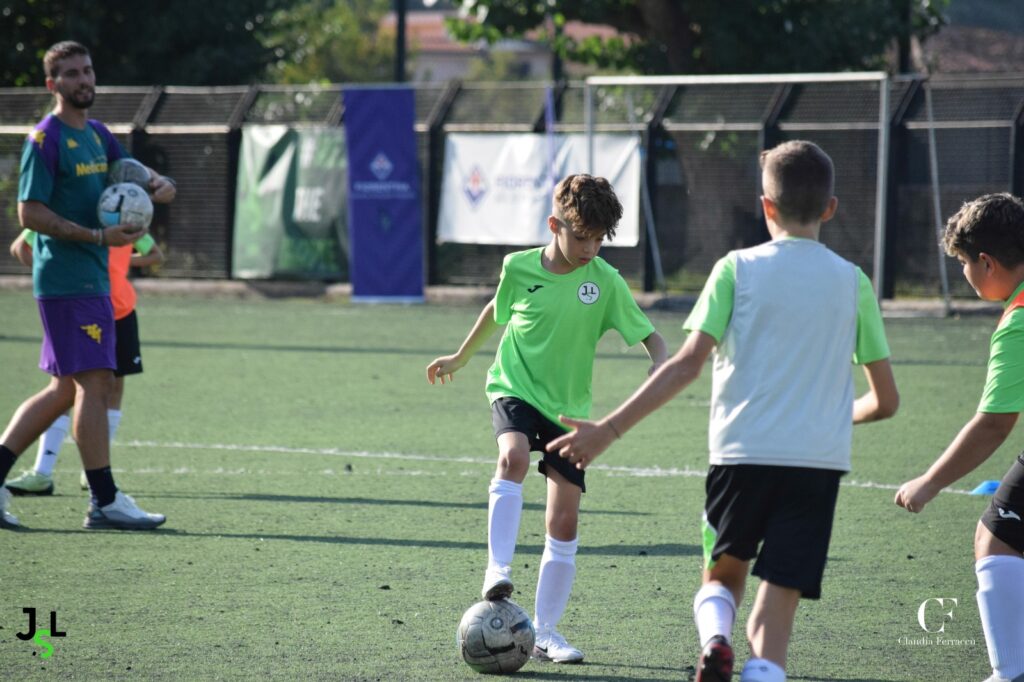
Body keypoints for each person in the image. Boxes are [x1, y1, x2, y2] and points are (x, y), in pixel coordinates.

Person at [547, 141, 899, 682]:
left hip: (741, 453)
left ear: (766, 206)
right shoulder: (854, 282)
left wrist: (609, 429)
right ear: (830, 208)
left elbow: (686, 365)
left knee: (723, 577)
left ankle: (715, 639)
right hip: (817, 462)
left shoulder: (735, 269)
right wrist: (835, 416)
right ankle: (764, 669)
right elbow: (886, 401)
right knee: (778, 602)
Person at [426, 174, 668, 664]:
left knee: (564, 518)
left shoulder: (605, 282)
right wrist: (460, 357)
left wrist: (661, 362)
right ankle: (497, 569)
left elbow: (650, 336)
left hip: (569, 412)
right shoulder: (518, 266)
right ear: (555, 224)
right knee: (512, 455)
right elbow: (499, 309)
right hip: (514, 387)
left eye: (600, 239)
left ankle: (546, 633)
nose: (590, 248)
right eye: (582, 236)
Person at [0, 40, 174, 531]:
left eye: (89, 71)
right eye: (72, 74)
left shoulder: (99, 136)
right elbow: (28, 212)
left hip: (92, 280)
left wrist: (160, 185)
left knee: (62, 390)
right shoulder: (45, 139)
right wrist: (96, 235)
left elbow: (138, 177)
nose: (84, 81)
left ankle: (98, 498)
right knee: (96, 382)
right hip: (66, 281)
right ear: (53, 85)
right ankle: (104, 499)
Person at [895, 193, 1024, 682]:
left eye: (964, 264)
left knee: (996, 538)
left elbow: (994, 422)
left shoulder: (1019, 320)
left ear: (987, 262)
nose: (964, 275)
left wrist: (929, 482)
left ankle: (1011, 672)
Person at [5, 226, 165, 495]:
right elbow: (20, 246)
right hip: (81, 305)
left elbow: (155, 254)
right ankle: (42, 471)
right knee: (65, 388)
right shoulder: (68, 213)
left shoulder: (127, 217)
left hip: (120, 312)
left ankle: (95, 472)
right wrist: (52, 276)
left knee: (110, 388)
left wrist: (123, 260)